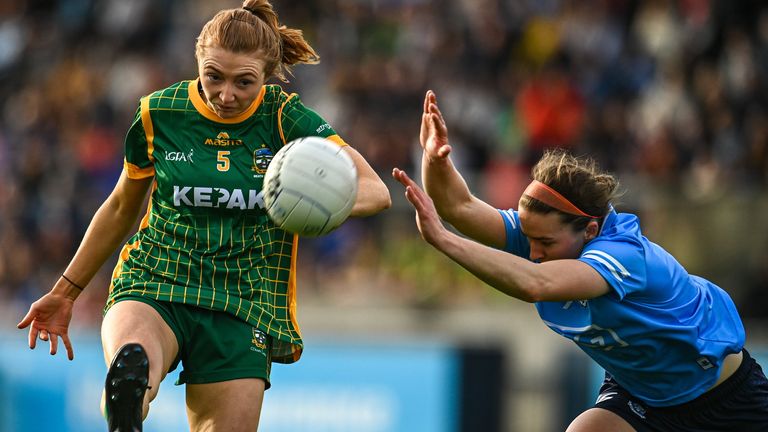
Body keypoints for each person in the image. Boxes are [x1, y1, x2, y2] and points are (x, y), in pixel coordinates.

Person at [16, 1, 391, 431]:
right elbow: (121, 206)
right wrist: (65, 291)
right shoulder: (160, 112)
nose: (226, 95)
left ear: (267, 78)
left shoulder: (286, 119)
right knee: (133, 367)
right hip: (156, 279)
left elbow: (375, 191)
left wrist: (310, 202)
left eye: (244, 82)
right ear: (198, 61)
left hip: (242, 302)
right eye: (214, 76)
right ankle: (128, 404)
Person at [392, 90, 768, 431]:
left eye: (544, 242)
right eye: (530, 239)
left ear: (589, 231)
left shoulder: (623, 253)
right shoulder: (549, 235)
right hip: (642, 397)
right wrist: (435, 158)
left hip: (727, 402)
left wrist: (445, 241)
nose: (534, 252)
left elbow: (536, 284)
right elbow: (459, 206)